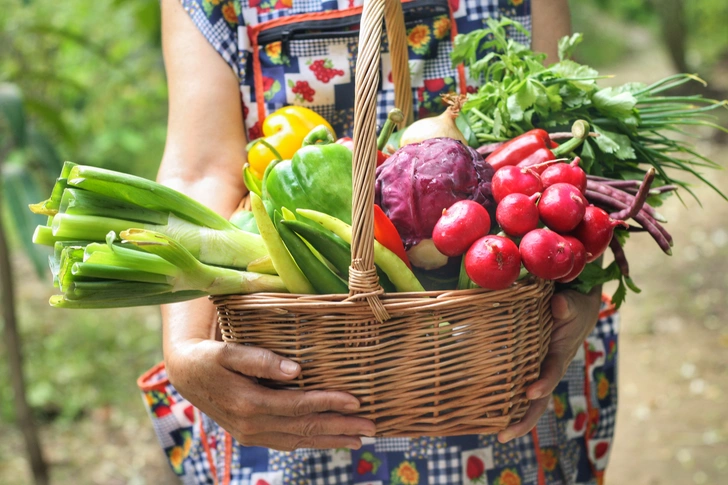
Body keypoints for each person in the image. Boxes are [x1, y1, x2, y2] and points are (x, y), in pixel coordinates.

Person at [138, 0, 619, 483]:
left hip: (498, 363)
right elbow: (200, 172)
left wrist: (579, 288)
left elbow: (568, 157)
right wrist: (185, 347)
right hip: (296, 383)